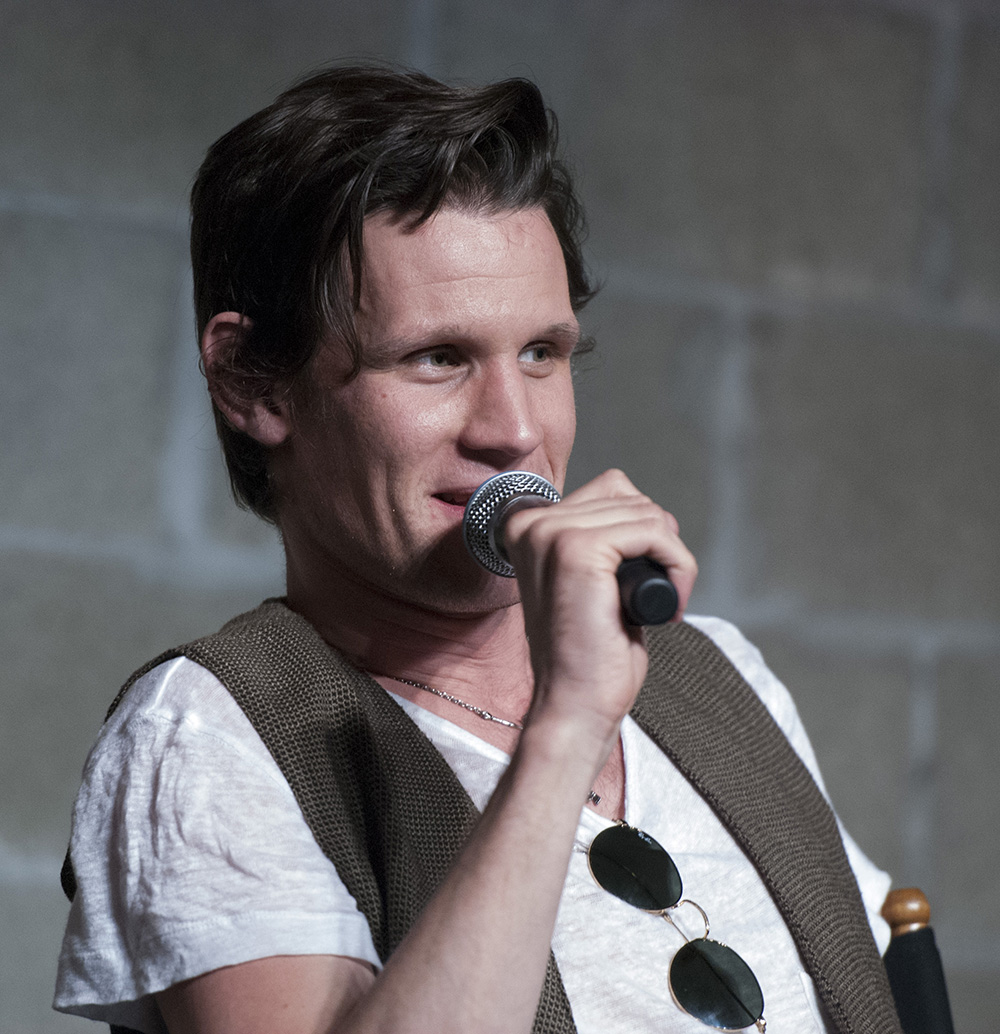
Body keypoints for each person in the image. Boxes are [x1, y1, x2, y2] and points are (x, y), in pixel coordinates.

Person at [54, 65, 903, 1034]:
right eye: (437, 357)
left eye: (541, 353)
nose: (514, 430)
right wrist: (565, 729)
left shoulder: (717, 673)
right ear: (254, 382)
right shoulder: (207, 735)